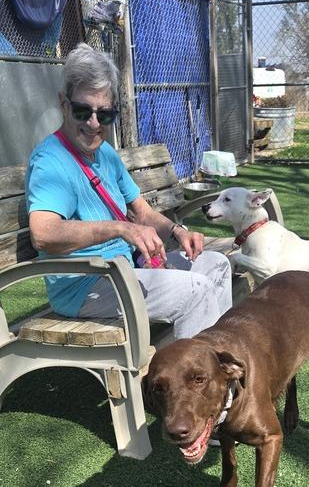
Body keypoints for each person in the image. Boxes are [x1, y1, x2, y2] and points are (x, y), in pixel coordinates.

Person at [26, 43, 232, 340]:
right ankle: (190, 382)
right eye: (83, 111)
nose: (94, 124)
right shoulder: (50, 162)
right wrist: (119, 229)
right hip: (85, 284)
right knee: (195, 291)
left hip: (126, 268)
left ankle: (214, 369)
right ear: (63, 104)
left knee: (217, 265)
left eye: (104, 114)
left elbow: (141, 211)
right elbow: (43, 233)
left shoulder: (106, 154)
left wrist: (177, 232)